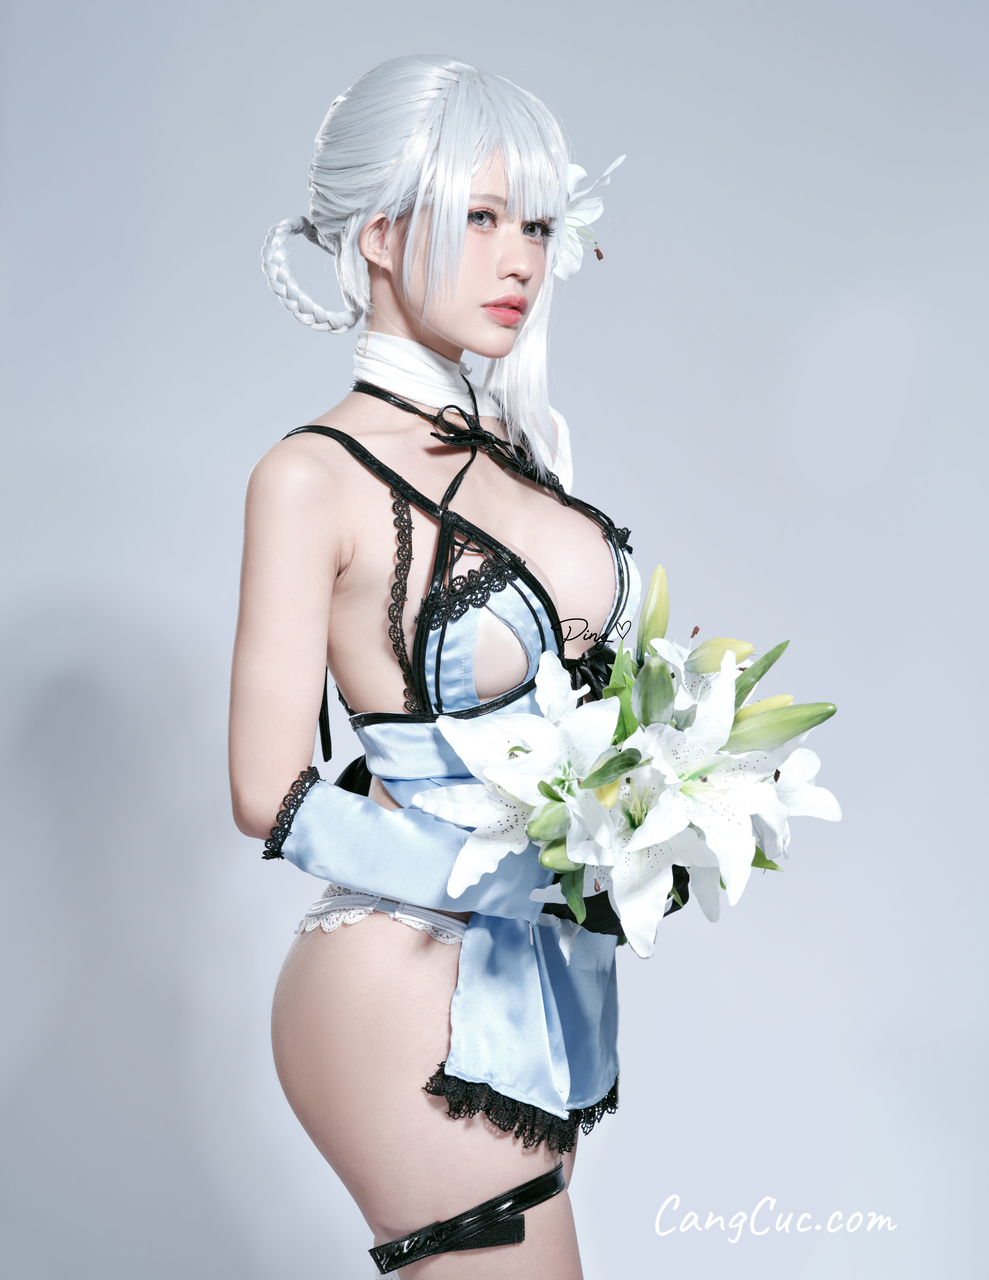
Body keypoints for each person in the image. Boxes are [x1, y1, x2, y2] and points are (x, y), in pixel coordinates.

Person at [228, 55, 638, 1277]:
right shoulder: (309, 476)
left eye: (538, 226)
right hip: (398, 976)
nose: (520, 260)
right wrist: (486, 870)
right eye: (481, 216)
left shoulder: (513, 445)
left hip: (529, 982)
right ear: (378, 233)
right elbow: (264, 788)